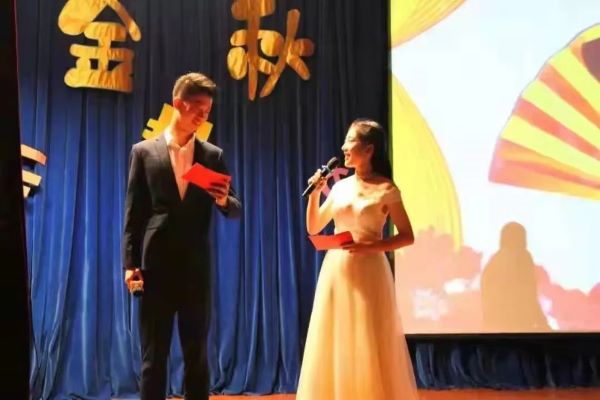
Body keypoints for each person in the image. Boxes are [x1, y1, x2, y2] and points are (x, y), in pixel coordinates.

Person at [122, 72, 242, 400]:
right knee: (153, 357)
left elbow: (234, 209)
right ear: (179, 103)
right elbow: (134, 214)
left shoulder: (212, 155)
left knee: (196, 355)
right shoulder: (144, 152)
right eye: (198, 108)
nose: (204, 115)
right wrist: (130, 264)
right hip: (155, 268)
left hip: (195, 269)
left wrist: (222, 199)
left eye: (208, 110)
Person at [296, 119, 418, 399]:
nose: (343, 147)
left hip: (370, 271)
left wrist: (372, 247)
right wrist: (315, 194)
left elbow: (407, 236)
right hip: (336, 270)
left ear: (369, 149)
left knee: (366, 338)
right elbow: (314, 227)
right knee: (336, 336)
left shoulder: (386, 189)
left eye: (350, 141)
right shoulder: (340, 187)